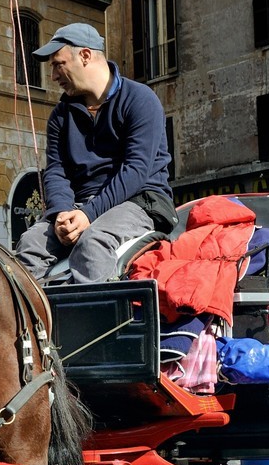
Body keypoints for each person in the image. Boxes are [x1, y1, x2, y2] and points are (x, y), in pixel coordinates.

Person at [15, 23, 176, 283]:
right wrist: (61, 215)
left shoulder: (140, 100)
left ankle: (95, 322)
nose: (54, 76)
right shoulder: (60, 117)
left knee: (92, 243)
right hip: (80, 207)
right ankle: (33, 323)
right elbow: (56, 171)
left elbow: (135, 170)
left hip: (140, 202)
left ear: (85, 56)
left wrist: (88, 214)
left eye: (58, 64)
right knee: (29, 243)